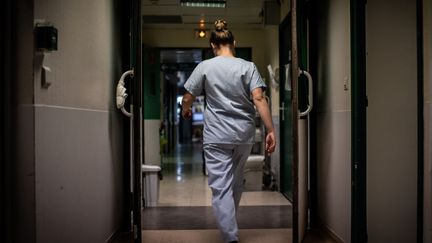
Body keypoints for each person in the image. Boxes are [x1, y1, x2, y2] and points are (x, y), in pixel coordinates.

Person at [181, 19, 276, 243]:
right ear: (234, 42)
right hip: (243, 135)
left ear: (212, 45)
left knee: (220, 187)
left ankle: (230, 236)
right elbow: (259, 99)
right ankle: (229, 227)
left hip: (216, 136)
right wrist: (271, 130)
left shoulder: (204, 67)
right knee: (235, 182)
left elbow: (187, 97)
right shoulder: (248, 66)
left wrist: (186, 110)